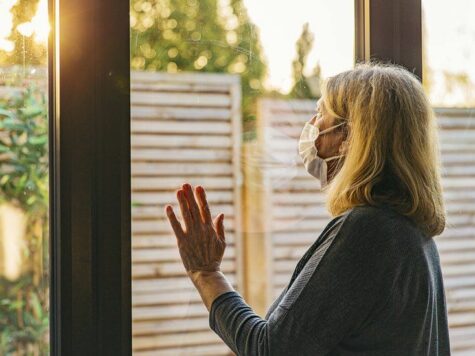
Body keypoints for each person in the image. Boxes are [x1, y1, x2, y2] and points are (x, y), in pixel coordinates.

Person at [165, 62, 451, 355]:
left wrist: (207, 274)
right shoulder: (411, 233)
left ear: (349, 137)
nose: (312, 123)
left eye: (321, 113)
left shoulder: (367, 231)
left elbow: (270, 349)